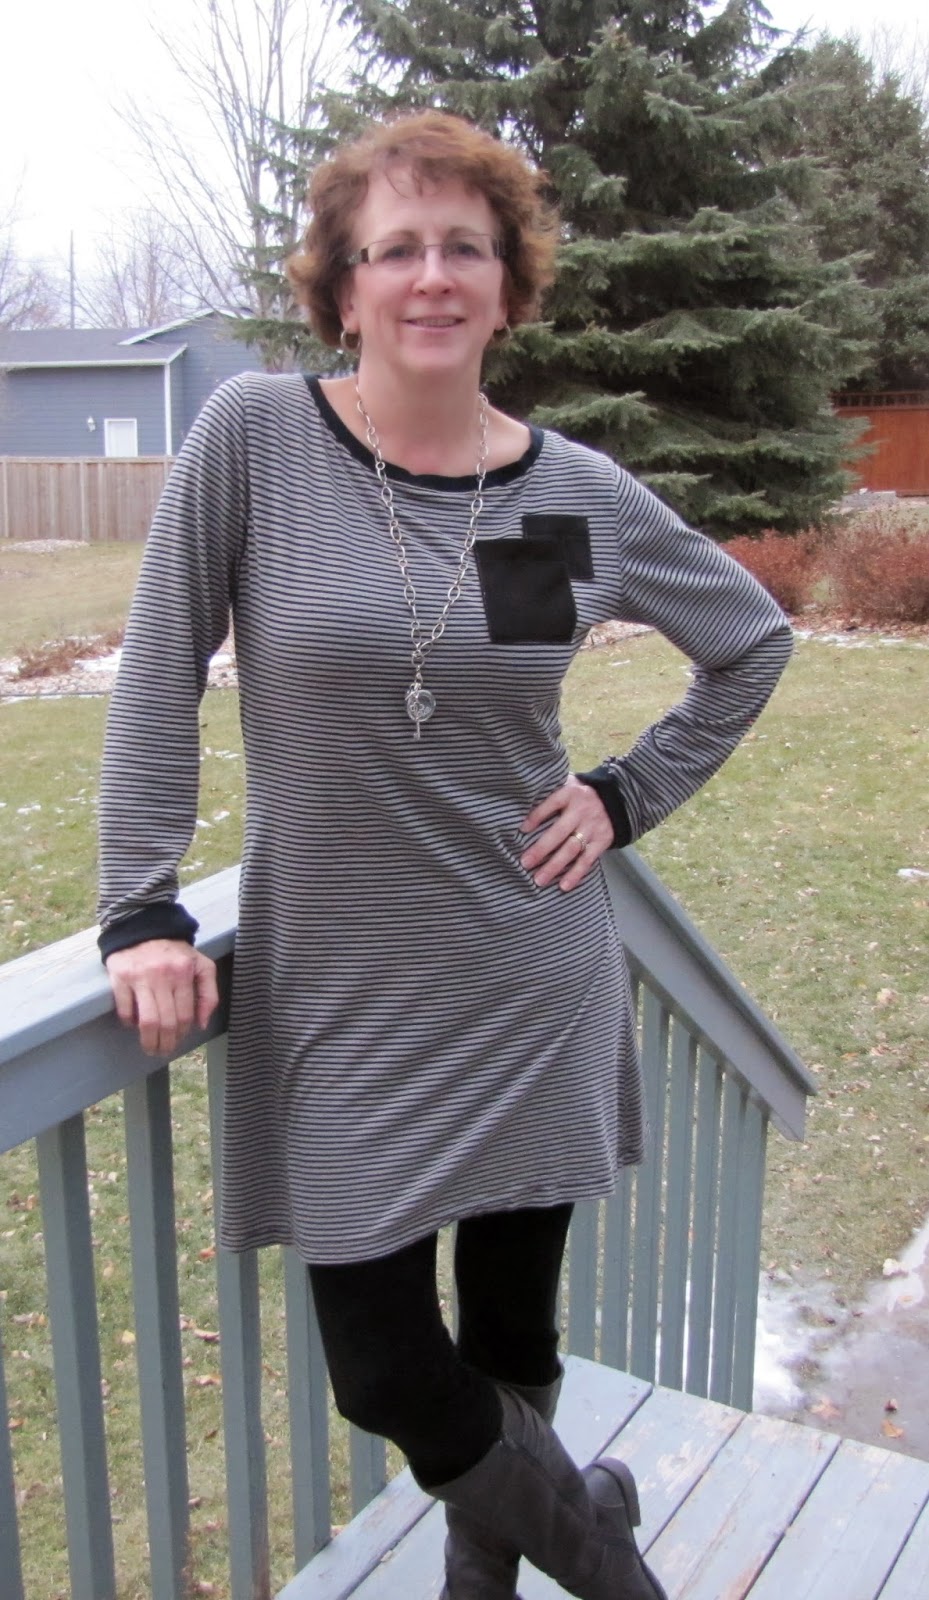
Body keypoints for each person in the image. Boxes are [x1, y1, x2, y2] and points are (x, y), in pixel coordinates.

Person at [98, 111, 792, 1600]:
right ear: (343, 286)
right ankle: (603, 1550)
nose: (431, 276)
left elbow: (748, 639)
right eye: (395, 248)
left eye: (463, 248)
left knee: (510, 1334)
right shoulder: (255, 441)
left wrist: (622, 794)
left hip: (530, 965)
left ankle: (486, 1582)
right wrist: (140, 907)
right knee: (383, 1369)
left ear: (506, 284)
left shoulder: (569, 492)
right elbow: (158, 672)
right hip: (342, 988)